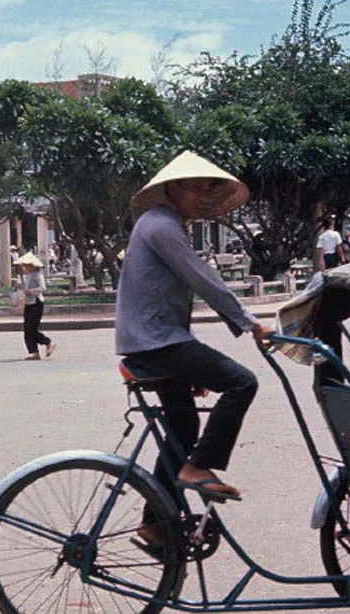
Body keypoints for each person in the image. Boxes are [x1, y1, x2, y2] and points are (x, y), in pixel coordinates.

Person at [116, 150, 272, 537]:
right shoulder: (162, 226)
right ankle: (197, 468)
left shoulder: (163, 224)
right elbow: (202, 279)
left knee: (183, 429)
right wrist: (250, 322)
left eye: (209, 189)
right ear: (174, 188)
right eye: (196, 188)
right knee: (242, 382)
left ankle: (153, 522)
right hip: (154, 343)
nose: (203, 195)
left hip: (155, 341)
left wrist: (188, 366)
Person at [17, 252, 53, 360]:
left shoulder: (38, 275)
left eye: (27, 265)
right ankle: (33, 351)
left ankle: (47, 342)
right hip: (29, 303)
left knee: (32, 328)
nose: (25, 267)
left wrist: (31, 291)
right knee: (27, 329)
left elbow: (43, 288)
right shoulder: (28, 276)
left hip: (36, 303)